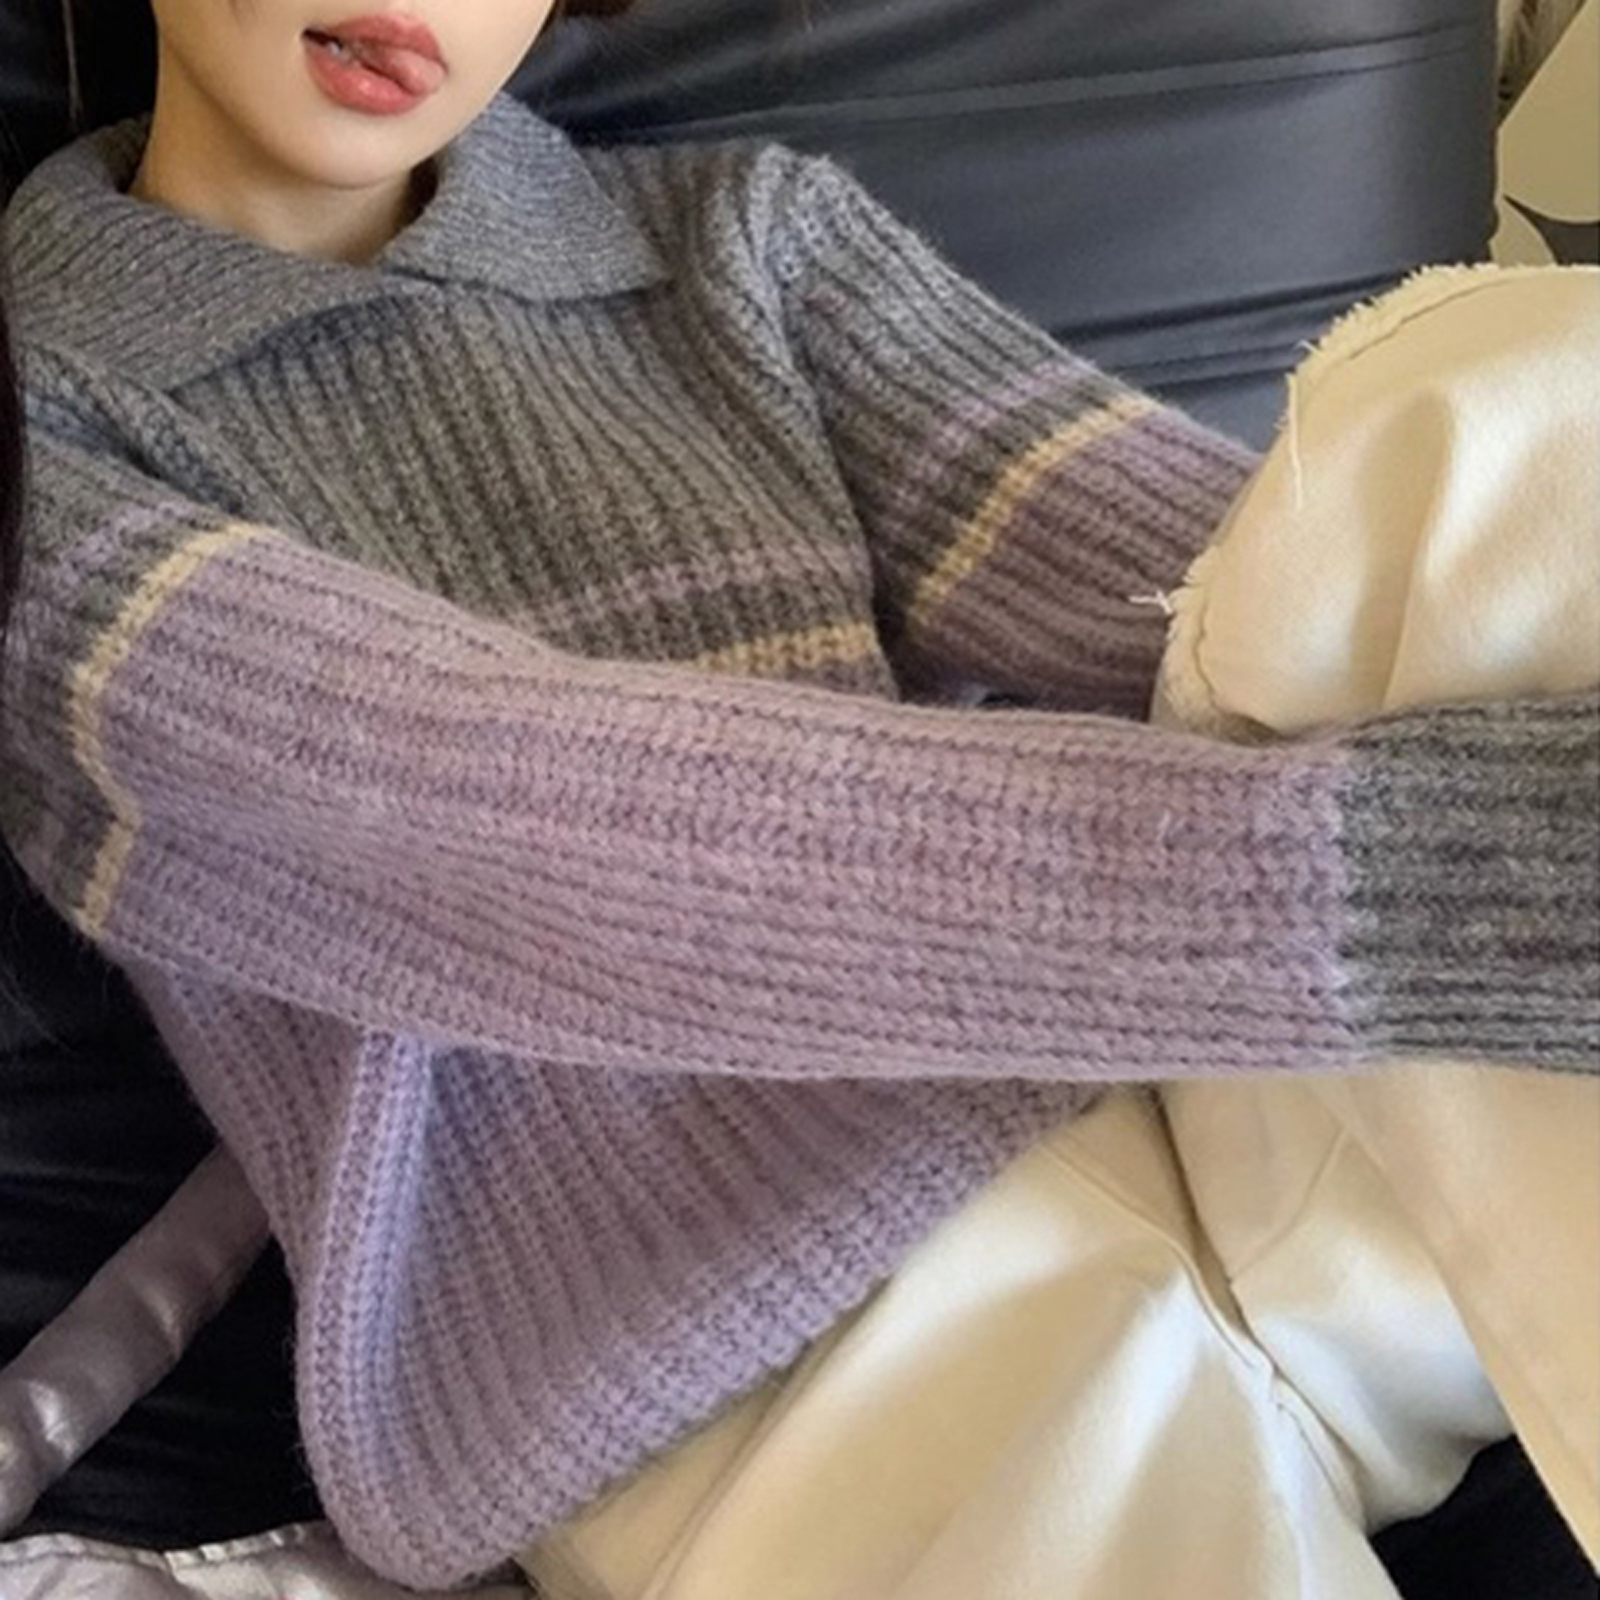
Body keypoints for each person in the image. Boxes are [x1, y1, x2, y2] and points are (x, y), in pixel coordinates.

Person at [0, 0, 1593, 1588]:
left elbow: (1249, 586)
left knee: (1503, 433)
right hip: (733, 1347)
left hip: (1201, 1114)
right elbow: (541, 826)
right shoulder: (35, 433)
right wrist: (1426, 888)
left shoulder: (737, 236)